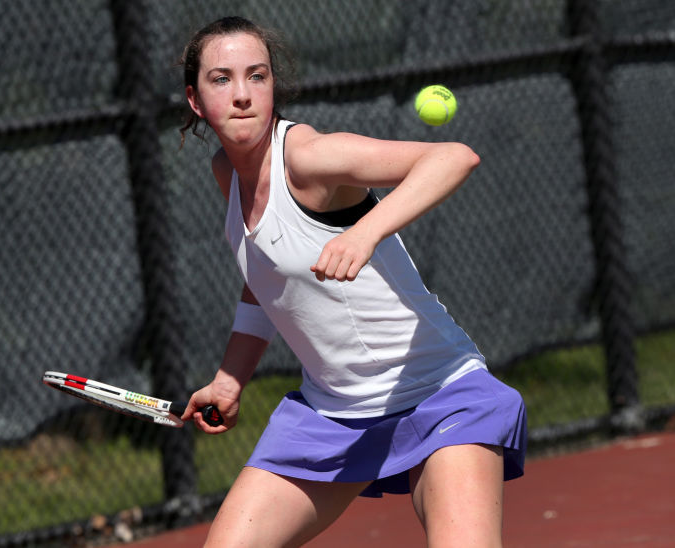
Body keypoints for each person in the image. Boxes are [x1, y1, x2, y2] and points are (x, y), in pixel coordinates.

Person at [179, 15, 527, 548]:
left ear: (275, 87)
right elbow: (265, 279)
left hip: (438, 393)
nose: (243, 94)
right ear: (196, 100)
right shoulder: (226, 175)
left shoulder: (309, 158)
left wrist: (363, 234)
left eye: (258, 76)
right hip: (332, 415)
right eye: (221, 79)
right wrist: (231, 378)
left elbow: (454, 156)